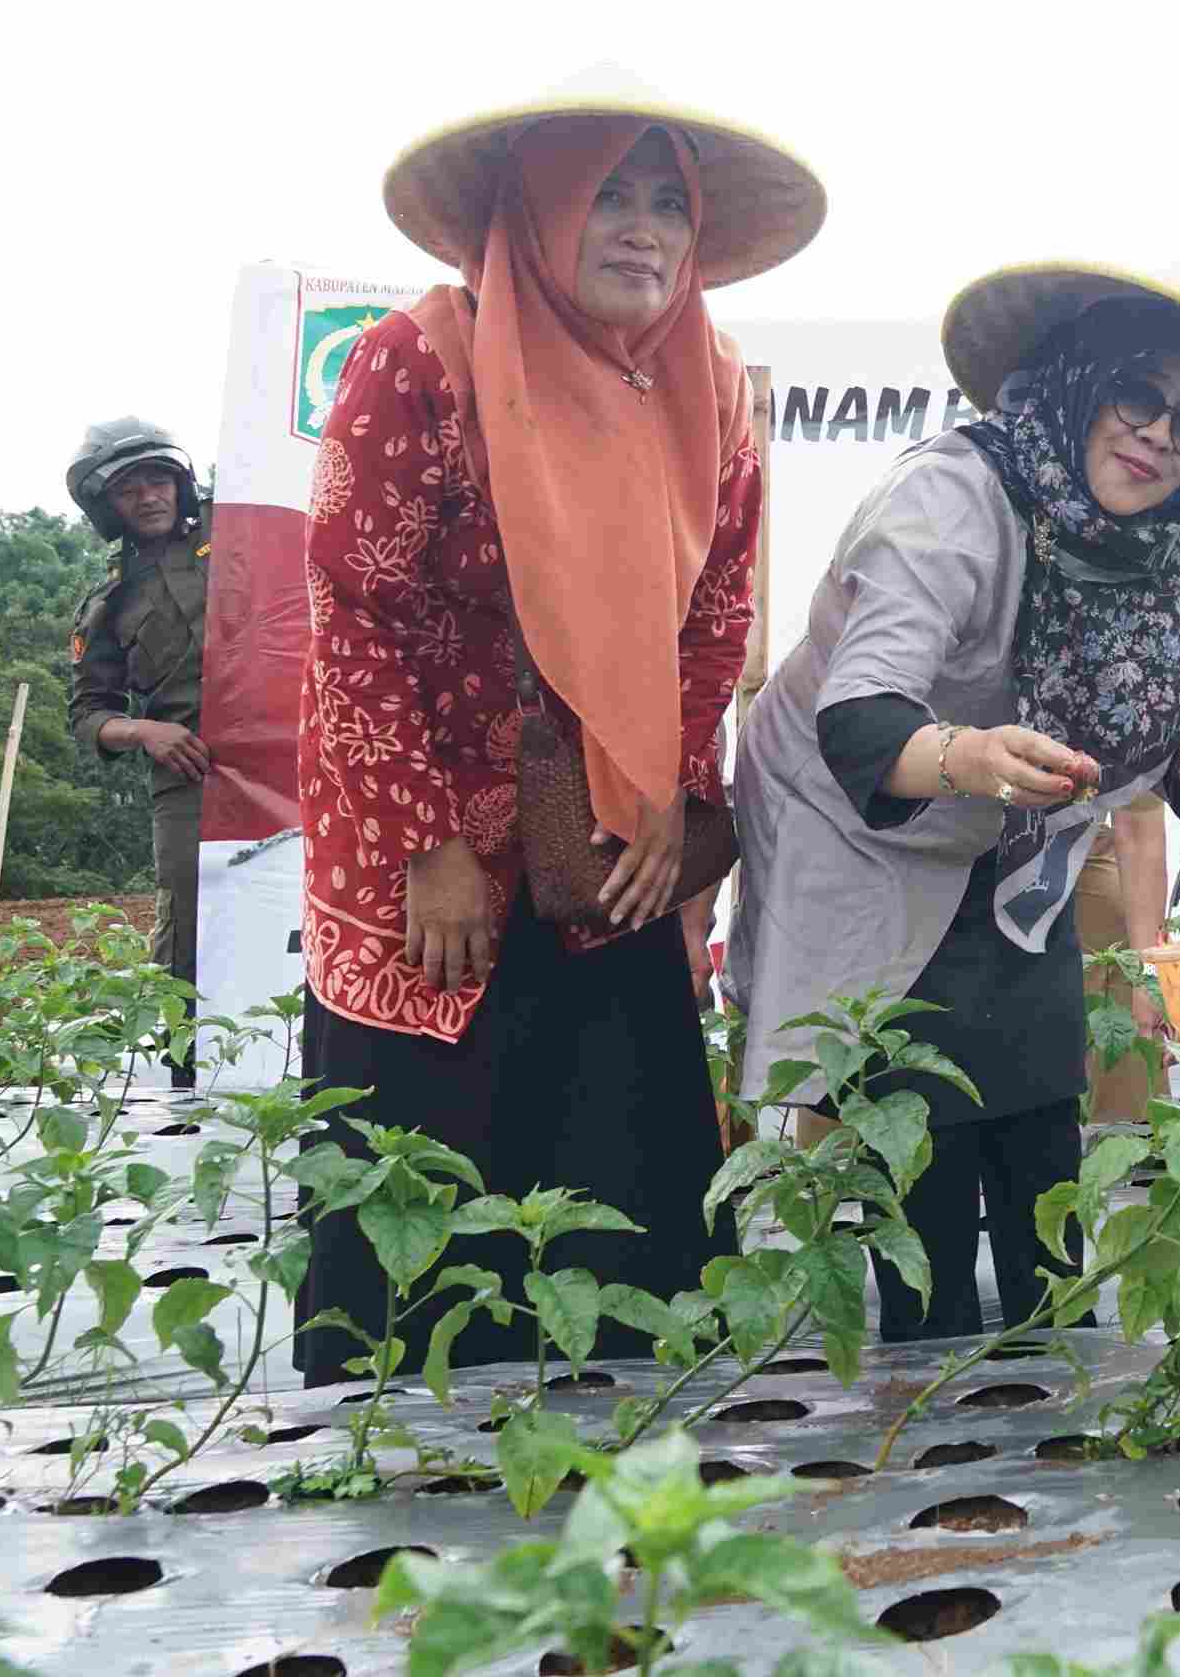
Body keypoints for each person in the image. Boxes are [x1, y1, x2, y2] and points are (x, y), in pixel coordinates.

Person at [290, 68, 811, 1382]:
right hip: (429, 858)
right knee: (425, 1211)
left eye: (667, 205)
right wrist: (425, 846)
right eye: (609, 199)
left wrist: (673, 801)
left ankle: (619, 1520)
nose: (643, 231)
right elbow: (354, 612)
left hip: (599, 842)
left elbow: (715, 616)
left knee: (621, 1204)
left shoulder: (715, 390)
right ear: (536, 211)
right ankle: (406, 1509)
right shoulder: (423, 360)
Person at [731, 264, 1180, 1342]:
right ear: (1076, 381)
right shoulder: (950, 496)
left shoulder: (1153, 541)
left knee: (1042, 1092)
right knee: (917, 1116)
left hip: (1008, 829)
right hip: (856, 816)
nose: (1156, 434)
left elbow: (1120, 707)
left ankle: (1052, 1365)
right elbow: (863, 713)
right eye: (1136, 395)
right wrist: (968, 756)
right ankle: (927, 1378)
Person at [66, 417, 213, 1088]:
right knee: (186, 925)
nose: (149, 496)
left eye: (158, 479)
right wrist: (145, 732)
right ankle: (184, 1076)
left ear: (180, 482)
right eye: (129, 489)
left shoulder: (244, 532)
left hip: (295, 757)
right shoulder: (109, 601)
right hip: (188, 778)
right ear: (108, 507)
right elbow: (87, 715)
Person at [1078, 792, 1169, 1126]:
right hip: (940, 850)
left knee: (1120, 959)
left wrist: (1148, 972)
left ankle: (1129, 1140)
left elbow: (1138, 822)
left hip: (1071, 839)